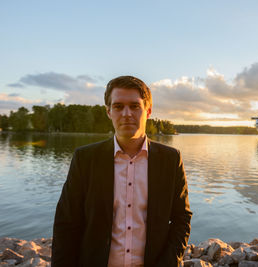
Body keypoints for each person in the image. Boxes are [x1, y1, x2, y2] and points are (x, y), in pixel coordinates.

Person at [51, 75, 192, 267]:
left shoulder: (171, 159)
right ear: (108, 112)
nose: (127, 113)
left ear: (148, 111)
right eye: (118, 106)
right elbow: (66, 222)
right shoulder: (85, 159)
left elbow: (181, 219)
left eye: (135, 106)